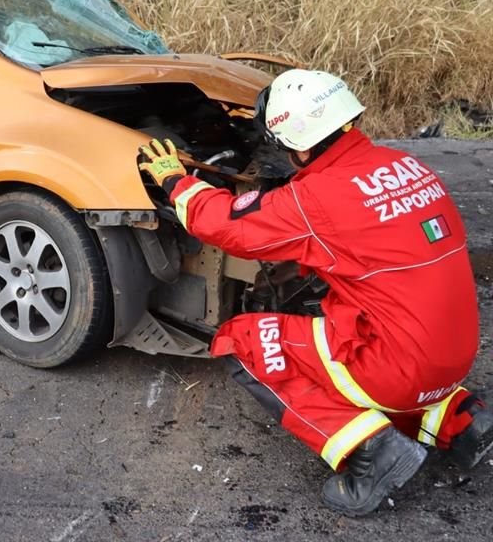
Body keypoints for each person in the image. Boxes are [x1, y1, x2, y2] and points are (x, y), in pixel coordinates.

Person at [137, 69, 492, 517]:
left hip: (399, 366)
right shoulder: (406, 166)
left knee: (243, 340)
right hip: (456, 351)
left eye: (282, 144)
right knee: (383, 336)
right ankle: (462, 419)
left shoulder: (317, 198)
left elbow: (227, 224)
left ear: (301, 144)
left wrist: (176, 181)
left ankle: (371, 452)